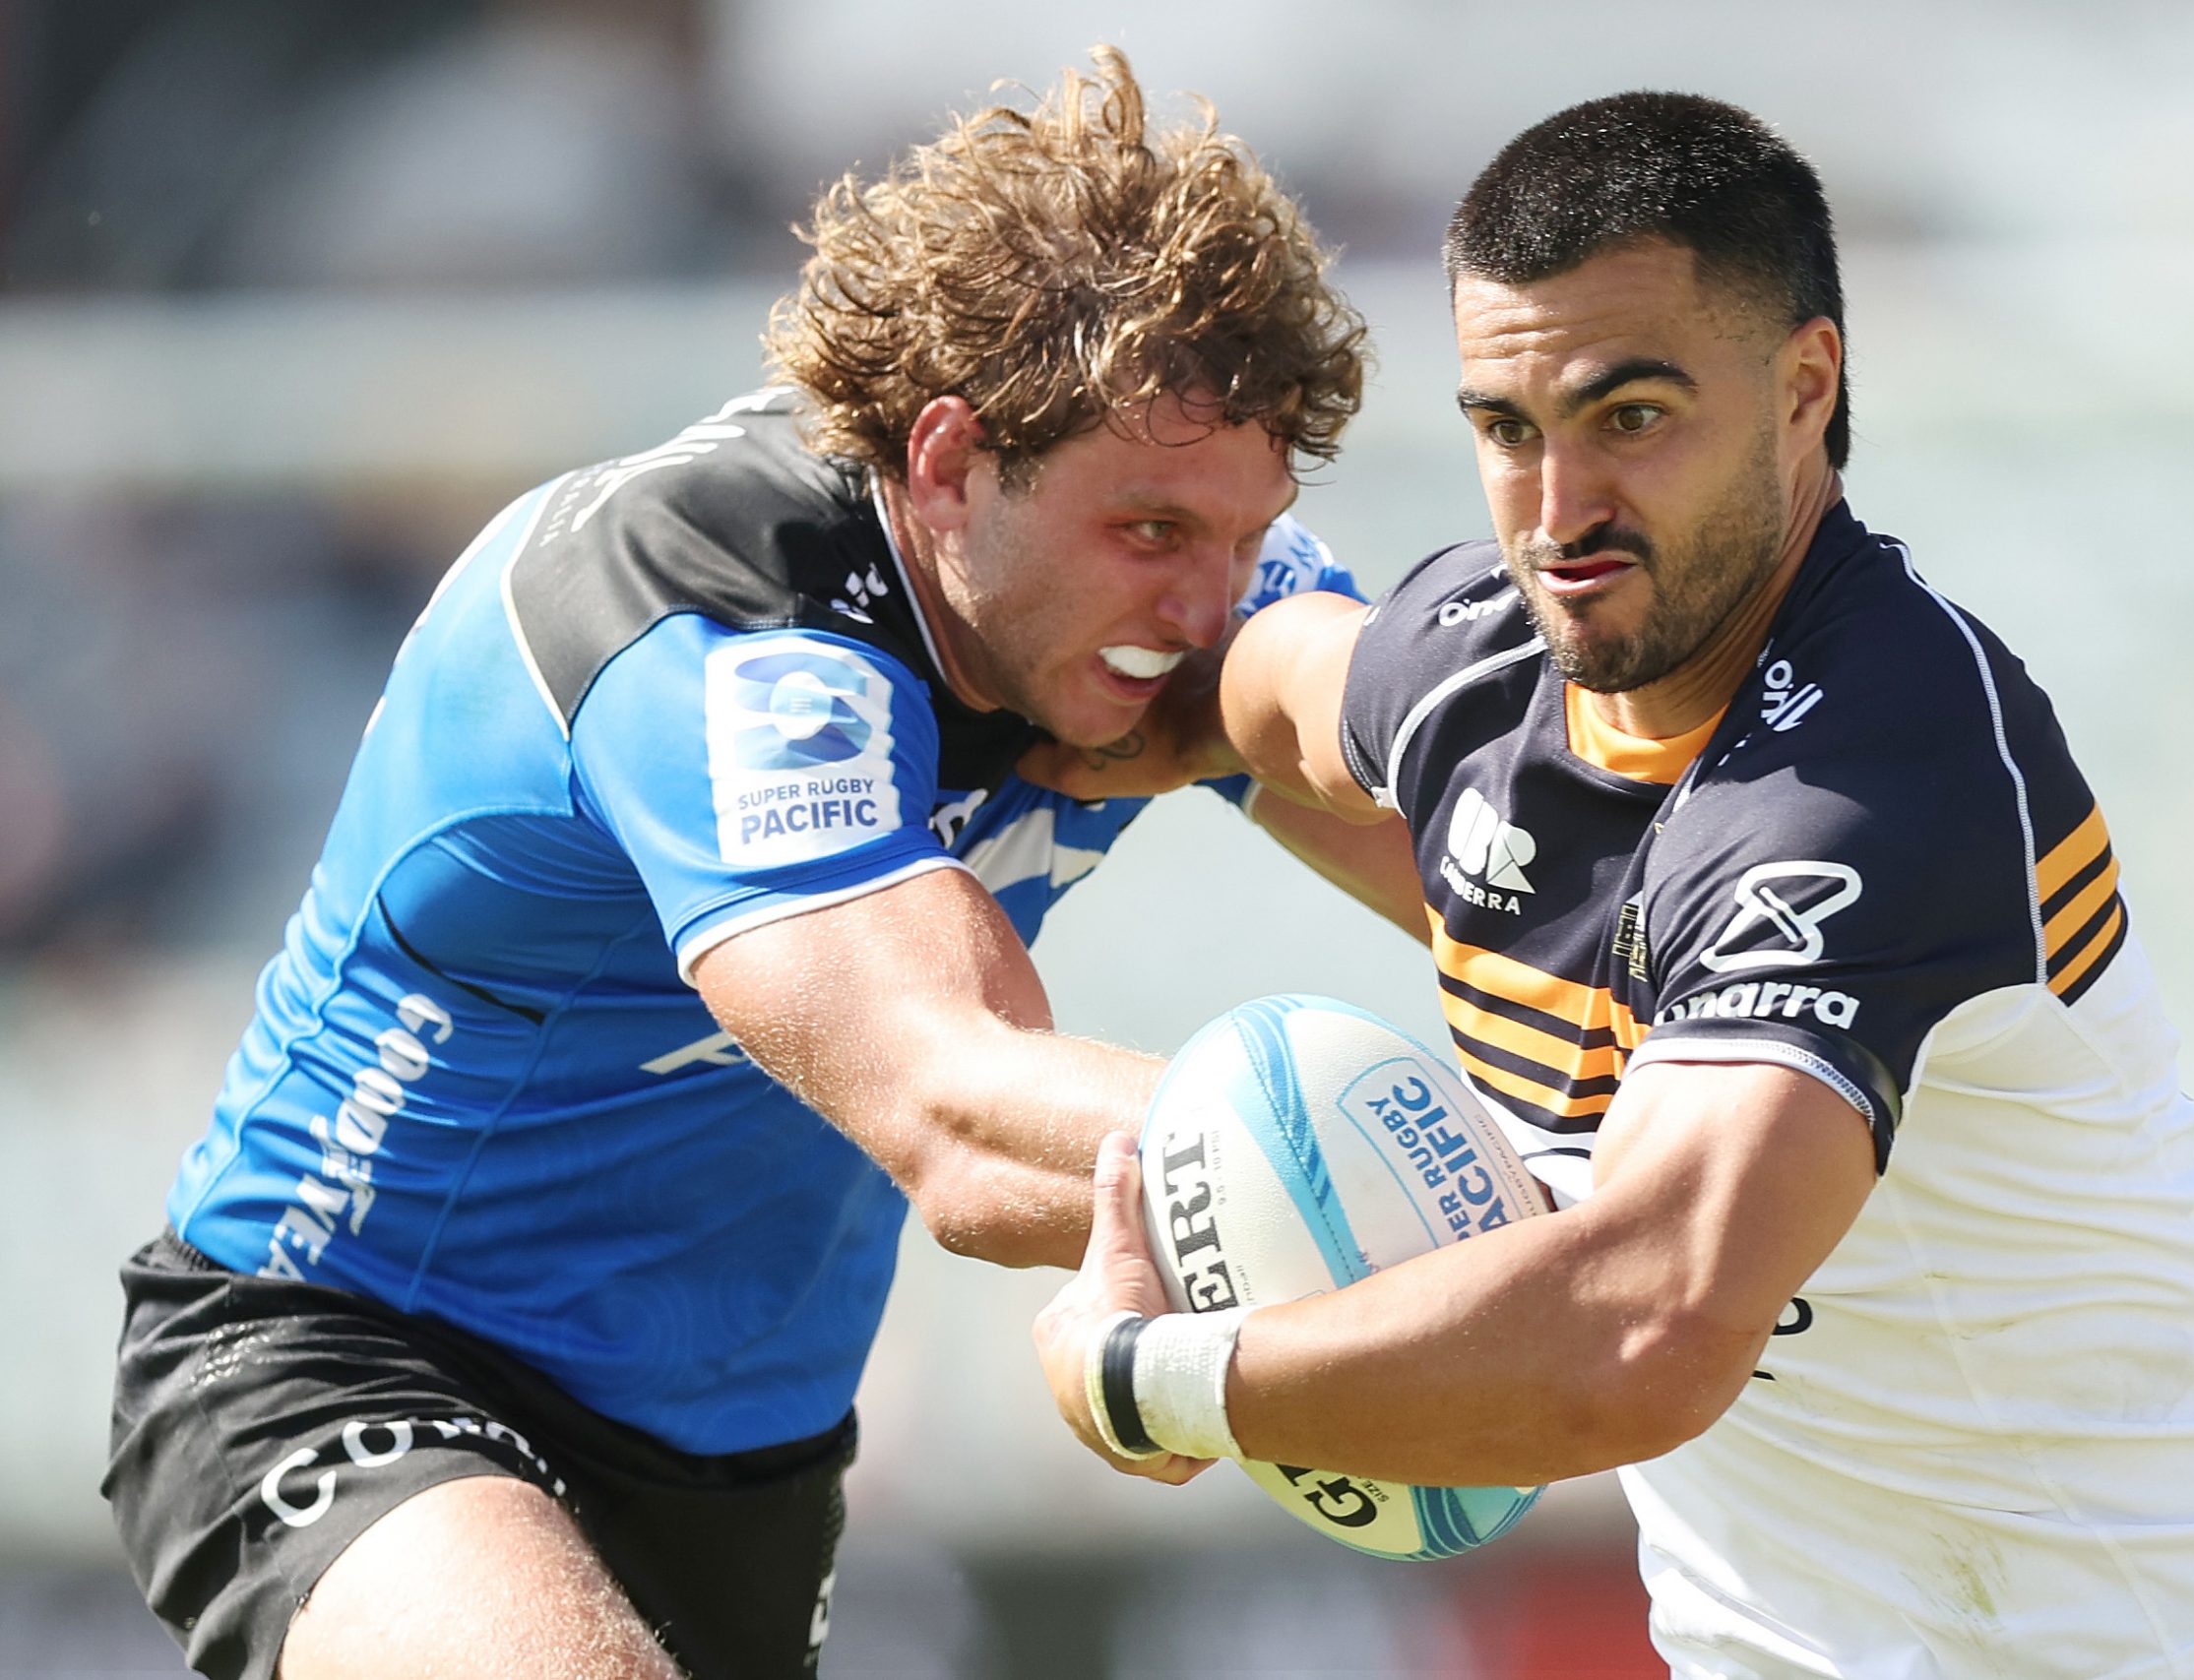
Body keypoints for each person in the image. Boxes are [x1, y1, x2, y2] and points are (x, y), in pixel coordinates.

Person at [1034, 92, 2194, 1678]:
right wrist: (1037, 697)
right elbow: (1248, 694)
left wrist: (1156, 1381)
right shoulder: (1479, 665)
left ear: (1808, 387)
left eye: (1633, 416)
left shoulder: (1874, 773)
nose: (1558, 514)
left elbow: (1646, 1325)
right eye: (1505, 429)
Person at [103, 48, 1410, 1680]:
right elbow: (953, 1106)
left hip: (745, 1458)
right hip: (353, 1349)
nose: (1208, 602)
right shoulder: (716, 621)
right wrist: (1426, 1186)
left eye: (1246, 533)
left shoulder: (1171, 565)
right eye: (1153, 536)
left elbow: (1476, 872)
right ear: (946, 464)